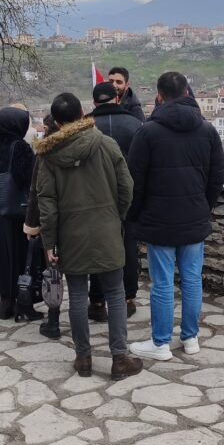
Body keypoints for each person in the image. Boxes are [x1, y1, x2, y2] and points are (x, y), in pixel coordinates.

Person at [36, 92, 141, 381]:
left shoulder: (49, 156)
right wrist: (115, 215)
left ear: (56, 122)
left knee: (79, 296)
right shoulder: (106, 144)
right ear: (83, 113)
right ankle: (119, 358)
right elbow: (126, 187)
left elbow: (47, 203)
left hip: (71, 234)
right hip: (107, 227)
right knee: (116, 294)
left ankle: (83, 358)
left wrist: (49, 243)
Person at [125, 72, 224, 361]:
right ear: (186, 93)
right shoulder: (207, 130)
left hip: (159, 219)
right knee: (192, 280)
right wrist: (203, 206)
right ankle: (190, 337)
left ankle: (160, 343)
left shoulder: (148, 132)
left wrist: (136, 215)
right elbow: (217, 176)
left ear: (159, 96)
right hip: (194, 216)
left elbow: (136, 181)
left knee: (163, 283)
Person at [87, 81, 144, 320]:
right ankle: (128, 298)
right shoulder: (137, 126)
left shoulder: (84, 127)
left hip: (92, 199)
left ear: (94, 102)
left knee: (96, 250)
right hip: (129, 198)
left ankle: (97, 301)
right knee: (128, 248)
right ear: (117, 99)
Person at [0, 107, 40, 321]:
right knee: (22, 258)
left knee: (4, 259)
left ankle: (5, 305)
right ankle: (24, 306)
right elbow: (30, 180)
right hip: (20, 213)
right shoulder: (20, 148)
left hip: (0, 211)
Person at [24, 114, 60, 338]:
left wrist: (32, 224)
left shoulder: (45, 153)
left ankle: (54, 322)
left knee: (54, 274)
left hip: (53, 221)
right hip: (84, 221)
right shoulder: (93, 145)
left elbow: (36, 193)